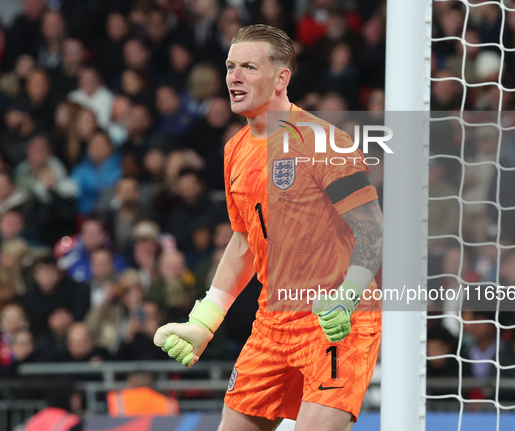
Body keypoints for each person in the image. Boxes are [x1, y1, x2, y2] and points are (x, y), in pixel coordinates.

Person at [154, 25, 382, 431]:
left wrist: (347, 297)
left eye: (248, 67)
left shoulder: (323, 141)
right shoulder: (234, 150)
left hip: (335, 323)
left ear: (281, 79)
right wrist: (204, 321)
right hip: (273, 323)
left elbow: (371, 230)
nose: (234, 77)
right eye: (230, 66)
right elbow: (244, 241)